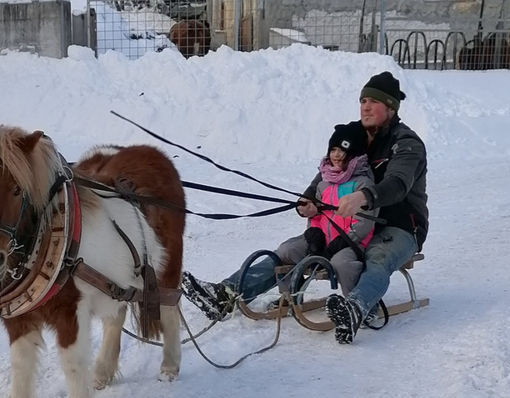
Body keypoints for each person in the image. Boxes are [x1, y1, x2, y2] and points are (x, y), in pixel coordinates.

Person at [181, 121, 378, 321]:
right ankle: (235, 295)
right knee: (285, 250)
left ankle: (357, 307)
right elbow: (317, 215)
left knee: (342, 262)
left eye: (342, 151)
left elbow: (364, 222)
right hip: (324, 239)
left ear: (354, 155)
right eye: (333, 150)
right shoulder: (325, 180)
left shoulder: (363, 185)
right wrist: (313, 232)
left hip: (348, 242)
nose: (336, 155)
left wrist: (342, 241)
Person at [316, 71, 428, 344]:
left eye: (373, 101)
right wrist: (308, 199)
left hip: (399, 226)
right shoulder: (356, 136)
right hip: (357, 224)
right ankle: (230, 291)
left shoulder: (406, 143)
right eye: (362, 100)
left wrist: (363, 196)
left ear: (390, 107)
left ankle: (355, 308)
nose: (365, 106)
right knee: (300, 247)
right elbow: (330, 170)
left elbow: (398, 183)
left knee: (377, 257)